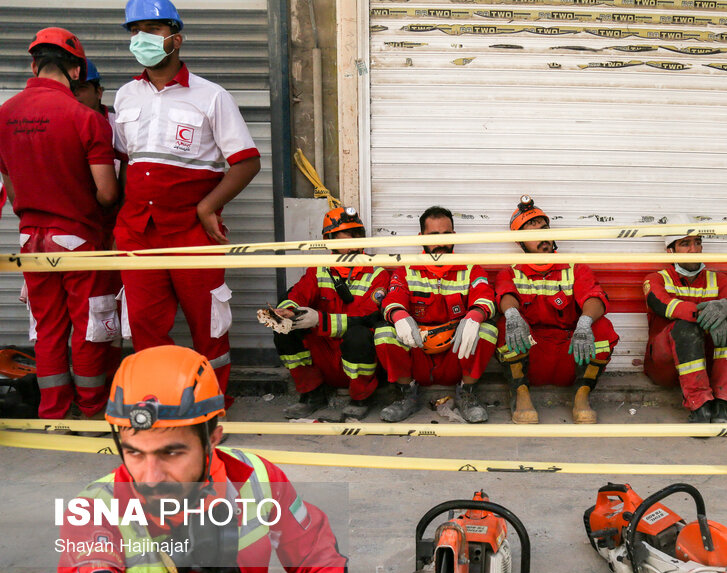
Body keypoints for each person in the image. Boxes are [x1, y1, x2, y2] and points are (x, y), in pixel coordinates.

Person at [56, 345, 412, 573]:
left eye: (171, 452)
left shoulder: (255, 477)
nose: (150, 476)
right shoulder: (94, 512)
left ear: (213, 437)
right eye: (134, 452)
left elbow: (316, 557)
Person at [114, 0, 261, 402]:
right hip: (137, 234)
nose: (141, 38)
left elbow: (247, 162)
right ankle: (157, 407)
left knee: (209, 327)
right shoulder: (126, 96)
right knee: (143, 327)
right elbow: (128, 165)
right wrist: (118, 225)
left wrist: (206, 207)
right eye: (134, 30)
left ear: (176, 38)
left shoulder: (211, 97)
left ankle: (211, 408)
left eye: (152, 29)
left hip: (193, 233)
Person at [0, 27, 120, 420]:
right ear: (75, 70)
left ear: (34, 65)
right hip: (78, 240)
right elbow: (106, 194)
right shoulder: (86, 119)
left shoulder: (5, 116)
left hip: (30, 240)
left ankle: (53, 412)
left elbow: (13, 193)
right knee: (90, 326)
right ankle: (91, 409)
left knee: (47, 329)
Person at [495, 196, 618, 424]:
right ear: (519, 242)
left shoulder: (574, 266)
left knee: (602, 326)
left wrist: (584, 323)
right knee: (504, 324)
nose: (544, 237)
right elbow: (505, 296)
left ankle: (582, 396)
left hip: (572, 353)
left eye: (545, 229)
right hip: (532, 354)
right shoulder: (510, 272)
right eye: (534, 234)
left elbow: (595, 298)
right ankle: (520, 395)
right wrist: (512, 314)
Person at [374, 206, 498, 423]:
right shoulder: (405, 270)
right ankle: (406, 395)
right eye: (434, 236)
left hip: (456, 354)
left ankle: (466, 394)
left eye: (446, 235)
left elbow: (485, 296)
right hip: (417, 355)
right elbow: (393, 298)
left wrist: (476, 315)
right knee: (384, 332)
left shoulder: (471, 269)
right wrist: (397, 315)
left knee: (487, 329)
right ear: (421, 237)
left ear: (454, 236)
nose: (441, 242)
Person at [271, 207, 390, 420]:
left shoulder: (377, 272)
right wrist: (286, 312)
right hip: (323, 351)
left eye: (358, 233)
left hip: (358, 354)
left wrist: (320, 319)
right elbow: (298, 294)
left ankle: (361, 398)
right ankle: (311, 394)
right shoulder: (318, 270)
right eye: (349, 234)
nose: (355, 239)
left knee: (360, 335)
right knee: (284, 330)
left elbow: (369, 316)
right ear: (329, 239)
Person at [643, 229, 727, 423]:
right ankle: (699, 406)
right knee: (685, 327)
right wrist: (707, 316)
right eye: (685, 244)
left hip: (706, 370)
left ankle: (722, 403)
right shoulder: (656, 279)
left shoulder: (718, 279)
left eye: (698, 242)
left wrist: (726, 307)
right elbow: (664, 306)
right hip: (666, 367)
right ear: (670, 251)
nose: (694, 249)